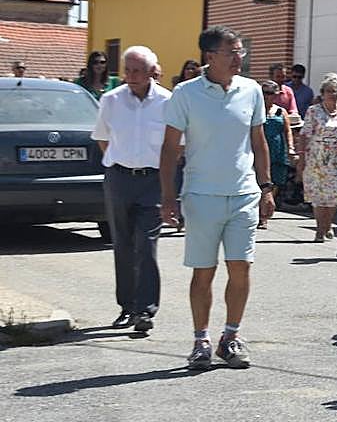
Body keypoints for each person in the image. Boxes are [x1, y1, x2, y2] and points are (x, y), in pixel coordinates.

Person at [159, 26, 274, 370]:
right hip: (201, 196)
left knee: (240, 269)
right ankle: (200, 341)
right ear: (210, 57)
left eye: (241, 52)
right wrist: (167, 197)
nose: (240, 58)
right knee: (203, 273)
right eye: (233, 52)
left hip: (243, 195)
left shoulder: (251, 90)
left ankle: (231, 337)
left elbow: (259, 142)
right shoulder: (185, 94)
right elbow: (168, 149)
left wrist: (266, 188)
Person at [91, 46, 172, 333]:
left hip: (152, 181)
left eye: (138, 70)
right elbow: (103, 139)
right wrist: (121, 164)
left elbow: (175, 147)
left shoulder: (167, 101)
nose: (132, 76)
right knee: (123, 243)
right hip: (119, 178)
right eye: (127, 70)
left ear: (152, 72)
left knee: (146, 245)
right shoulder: (111, 100)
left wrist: (169, 189)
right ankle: (127, 306)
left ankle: (145, 310)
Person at [298, 74, 337, 242]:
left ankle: (328, 224)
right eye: (328, 91)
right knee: (318, 195)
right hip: (316, 156)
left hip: (336, 158)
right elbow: (304, 134)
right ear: (322, 93)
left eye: (335, 91)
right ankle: (320, 229)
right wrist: (301, 158)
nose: (332, 94)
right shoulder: (313, 111)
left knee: (334, 195)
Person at [260, 80, 295, 219]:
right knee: (260, 181)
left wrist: (291, 148)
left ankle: (265, 212)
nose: (268, 97)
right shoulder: (255, 110)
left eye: (271, 94)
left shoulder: (281, 112)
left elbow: (287, 132)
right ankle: (259, 212)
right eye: (265, 93)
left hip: (277, 151)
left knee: (275, 182)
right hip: (260, 150)